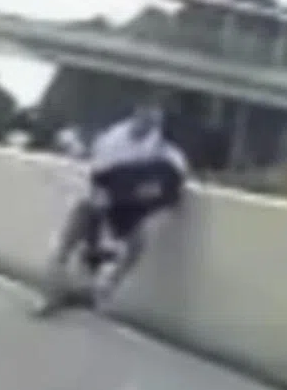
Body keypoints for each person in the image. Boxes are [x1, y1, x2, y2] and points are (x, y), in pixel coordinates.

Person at [36, 103, 187, 315]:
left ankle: (103, 287)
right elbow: (98, 180)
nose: (148, 123)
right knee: (71, 236)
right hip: (102, 195)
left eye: (154, 119)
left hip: (132, 205)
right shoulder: (113, 139)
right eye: (144, 116)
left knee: (138, 242)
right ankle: (50, 294)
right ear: (136, 115)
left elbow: (172, 186)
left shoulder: (163, 149)